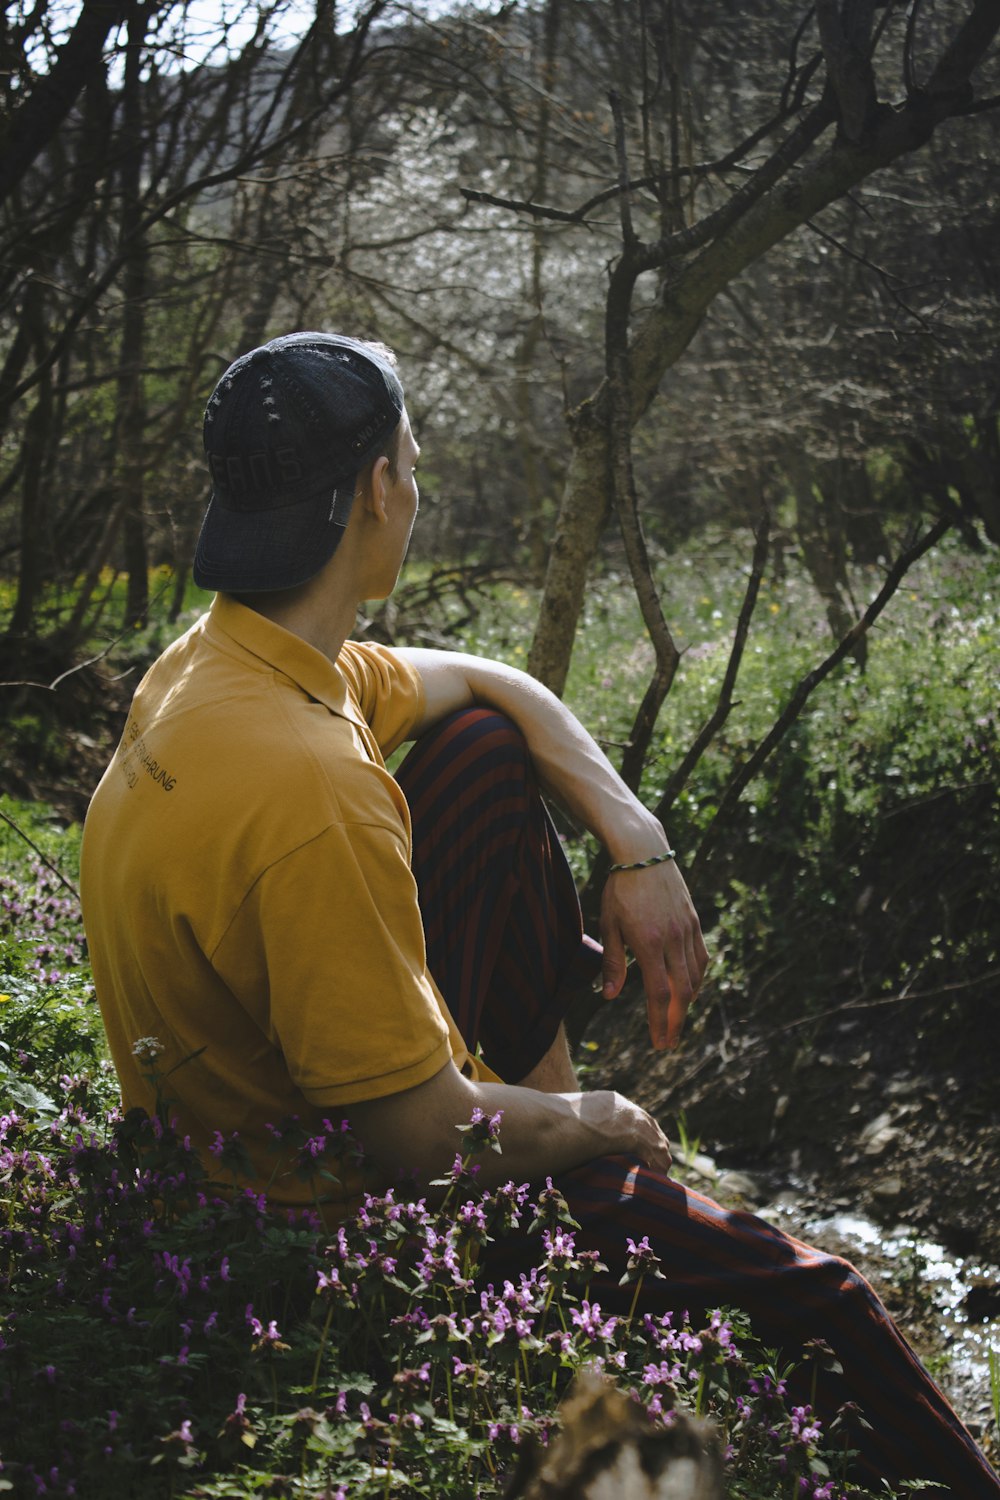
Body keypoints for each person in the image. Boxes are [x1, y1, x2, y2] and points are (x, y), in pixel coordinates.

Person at [80, 333, 999, 1498]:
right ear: (375, 491)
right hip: (345, 1236)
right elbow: (421, 1145)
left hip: (265, 1117)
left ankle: (573, 1147)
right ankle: (592, 1196)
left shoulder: (217, 664)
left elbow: (490, 683)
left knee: (472, 751)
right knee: (829, 1300)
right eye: (414, 465)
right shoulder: (314, 789)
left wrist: (636, 843)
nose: (419, 488)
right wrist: (596, 1118)